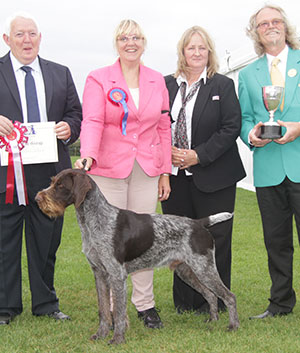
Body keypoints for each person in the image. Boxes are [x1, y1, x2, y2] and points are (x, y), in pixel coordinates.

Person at [74, 19, 171, 329]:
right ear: (116, 43)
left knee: (144, 240)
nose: (131, 42)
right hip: (107, 169)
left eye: (137, 37)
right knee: (110, 244)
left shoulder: (157, 80)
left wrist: (165, 171)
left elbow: (163, 127)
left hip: (146, 169)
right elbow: (92, 121)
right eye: (124, 38)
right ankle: (115, 309)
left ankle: (145, 305)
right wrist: (87, 154)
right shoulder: (99, 78)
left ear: (144, 42)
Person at [0, 12, 82, 325]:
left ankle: (46, 304)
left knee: (47, 242)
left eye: (32, 34)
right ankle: (5, 307)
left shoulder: (60, 73)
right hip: (6, 175)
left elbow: (76, 114)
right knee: (5, 242)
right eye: (19, 34)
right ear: (7, 39)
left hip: (51, 178)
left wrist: (68, 128)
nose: (26, 40)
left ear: (40, 38)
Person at [162, 26, 246, 314]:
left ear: (209, 52)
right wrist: (167, 152)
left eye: (202, 48)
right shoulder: (166, 85)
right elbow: (157, 126)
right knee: (178, 240)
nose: (196, 53)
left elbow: (231, 127)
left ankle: (216, 300)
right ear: (182, 52)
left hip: (215, 175)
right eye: (190, 48)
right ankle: (185, 301)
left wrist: (199, 155)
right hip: (175, 177)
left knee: (214, 240)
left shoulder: (222, 85)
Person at [239, 5, 300, 319]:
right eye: (263, 24)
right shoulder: (249, 74)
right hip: (268, 171)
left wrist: (298, 127)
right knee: (276, 243)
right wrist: (252, 135)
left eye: (276, 21)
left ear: (285, 27)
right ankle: (280, 304)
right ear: (256, 32)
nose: (271, 26)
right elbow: (245, 118)